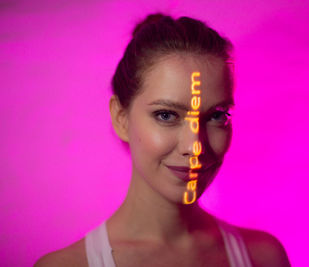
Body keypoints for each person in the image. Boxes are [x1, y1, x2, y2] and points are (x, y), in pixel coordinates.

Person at [35, 13, 291, 267]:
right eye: (166, 115)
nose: (194, 147)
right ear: (121, 117)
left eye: (216, 116)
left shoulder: (264, 258)